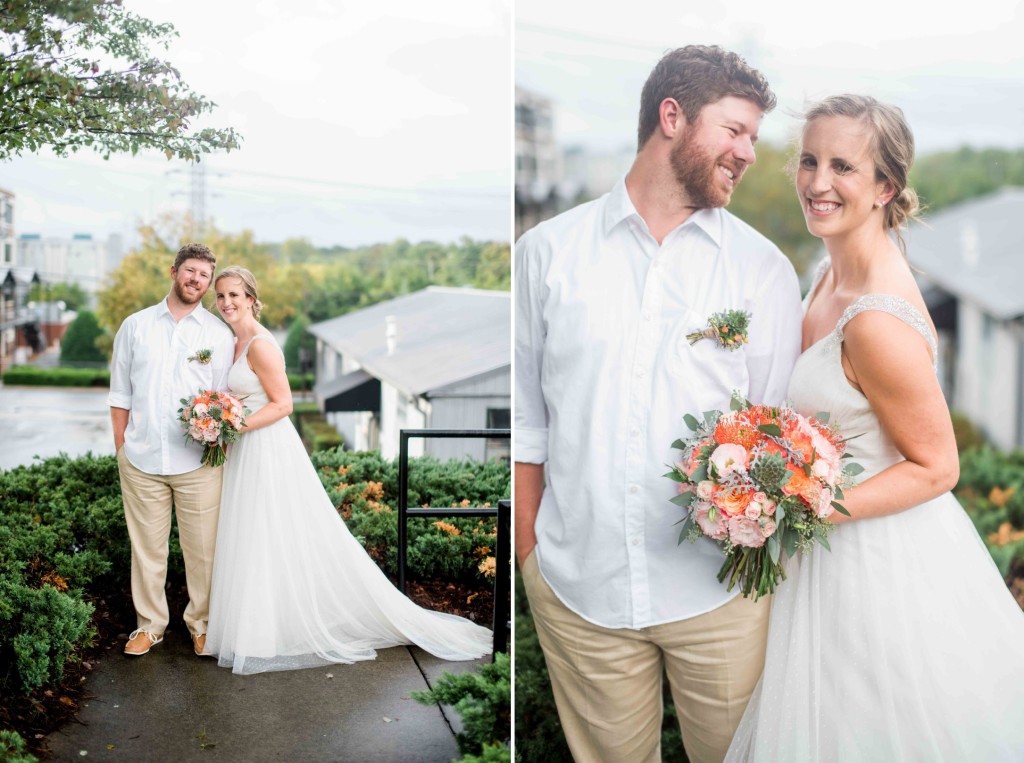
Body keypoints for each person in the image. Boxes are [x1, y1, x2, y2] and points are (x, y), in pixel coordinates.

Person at [515, 45, 804, 762]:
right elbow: (529, 421)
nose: (747, 153)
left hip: (722, 599)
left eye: (754, 139)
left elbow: (781, 432)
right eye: (734, 130)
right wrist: (531, 559)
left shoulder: (763, 269)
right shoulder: (546, 253)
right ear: (671, 116)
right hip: (580, 595)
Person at [724, 95, 1024, 761]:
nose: (817, 182)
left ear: (885, 186)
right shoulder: (828, 273)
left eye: (842, 166)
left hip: (876, 565)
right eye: (808, 160)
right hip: (822, 553)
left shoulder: (875, 320)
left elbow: (939, 467)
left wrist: (807, 502)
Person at [202, 266, 492, 674]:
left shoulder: (261, 345)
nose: (227, 303)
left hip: (265, 447)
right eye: (222, 296)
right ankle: (256, 627)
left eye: (235, 294)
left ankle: (264, 633)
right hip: (244, 449)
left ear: (251, 297)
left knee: (266, 529)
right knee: (253, 533)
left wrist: (230, 426)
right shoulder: (234, 341)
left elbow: (283, 405)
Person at [109, 243, 236, 657]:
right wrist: (122, 450)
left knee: (203, 553)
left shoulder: (217, 334)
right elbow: (120, 393)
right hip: (141, 460)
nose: (196, 279)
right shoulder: (136, 326)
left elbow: (223, 397)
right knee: (147, 550)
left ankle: (202, 625)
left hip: (198, 463)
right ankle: (150, 626)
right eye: (190, 271)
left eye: (204, 275)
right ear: (174, 271)